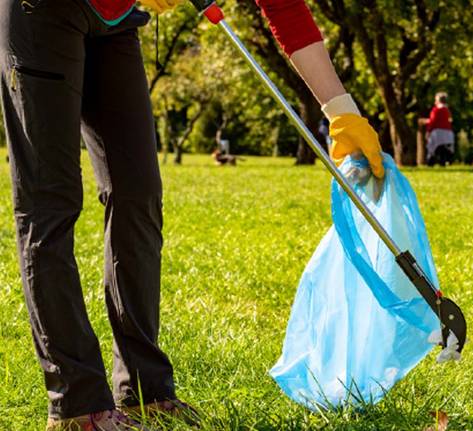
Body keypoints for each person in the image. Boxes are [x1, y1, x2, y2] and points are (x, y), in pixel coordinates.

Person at [0, 0, 384, 430]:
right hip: (43, 11)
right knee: (50, 203)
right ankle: (77, 404)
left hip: (114, 21)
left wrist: (341, 112)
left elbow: (284, 7)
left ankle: (144, 390)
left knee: (138, 195)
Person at [421, 92, 455, 166]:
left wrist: (428, 131)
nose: (434, 102)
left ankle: (430, 162)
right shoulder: (447, 110)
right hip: (448, 133)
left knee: (432, 148)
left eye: (435, 99)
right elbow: (449, 121)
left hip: (437, 133)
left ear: (438, 100)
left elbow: (433, 122)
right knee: (442, 149)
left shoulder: (435, 110)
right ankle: (443, 162)